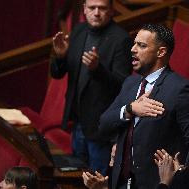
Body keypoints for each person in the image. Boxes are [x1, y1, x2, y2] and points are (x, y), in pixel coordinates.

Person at [99, 23, 189, 189]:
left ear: (161, 52)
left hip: (156, 183)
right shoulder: (130, 83)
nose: (133, 49)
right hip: (120, 181)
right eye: (134, 43)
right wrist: (130, 109)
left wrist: (181, 174)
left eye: (141, 45)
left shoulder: (181, 89)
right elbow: (103, 124)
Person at [51, 0, 132, 175]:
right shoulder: (79, 30)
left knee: (96, 179)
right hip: (78, 121)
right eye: (92, 8)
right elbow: (57, 74)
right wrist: (60, 57)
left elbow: (123, 86)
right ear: (84, 10)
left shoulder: (121, 39)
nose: (96, 13)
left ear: (110, 11)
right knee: (76, 176)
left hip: (100, 127)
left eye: (102, 8)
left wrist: (98, 69)